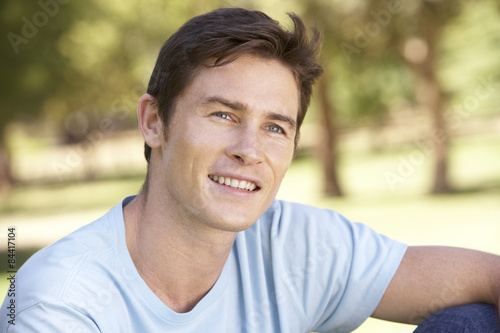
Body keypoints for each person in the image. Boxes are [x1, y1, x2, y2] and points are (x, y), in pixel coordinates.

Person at [1, 7, 499, 333]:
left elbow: (485, 277)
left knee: (473, 323)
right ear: (154, 122)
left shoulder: (293, 243)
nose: (249, 150)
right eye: (224, 115)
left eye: (275, 128)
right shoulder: (58, 304)